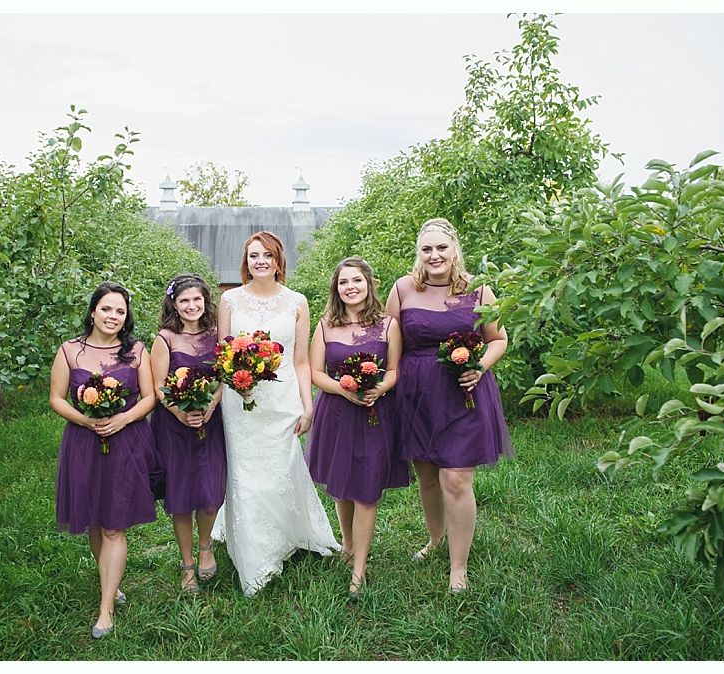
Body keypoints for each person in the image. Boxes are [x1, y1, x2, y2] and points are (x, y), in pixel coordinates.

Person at [385, 218, 513, 594]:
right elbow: (388, 339)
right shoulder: (402, 289)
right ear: (418, 254)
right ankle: (436, 538)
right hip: (416, 394)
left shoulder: (479, 290)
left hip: (463, 393)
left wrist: (479, 367)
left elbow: (499, 340)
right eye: (427, 249)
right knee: (427, 475)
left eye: (441, 247)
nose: (435, 255)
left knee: (455, 478)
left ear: (454, 249)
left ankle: (459, 566)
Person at [211, 231, 340, 596]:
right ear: (246, 262)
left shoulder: (297, 302)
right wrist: (237, 383)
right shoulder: (230, 301)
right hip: (241, 400)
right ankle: (255, 556)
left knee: (280, 469)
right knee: (246, 475)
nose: (261, 261)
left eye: (267, 255)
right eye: (254, 256)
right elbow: (224, 354)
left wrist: (308, 403)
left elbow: (300, 361)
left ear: (278, 260)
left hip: (282, 400)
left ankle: (287, 533)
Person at [50, 282, 157, 638]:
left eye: (120, 312)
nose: (113, 317)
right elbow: (57, 398)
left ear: (126, 318)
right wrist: (86, 419)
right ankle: (109, 580)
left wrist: (123, 418)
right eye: (106, 309)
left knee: (114, 524)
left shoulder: (136, 351)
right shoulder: (70, 351)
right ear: (93, 311)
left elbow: (150, 397)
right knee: (95, 522)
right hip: (83, 441)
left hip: (126, 442)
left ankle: (106, 608)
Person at [305, 257, 410, 599]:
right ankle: (347, 543)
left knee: (366, 489)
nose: (351, 287)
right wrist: (343, 390)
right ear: (336, 289)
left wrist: (380, 388)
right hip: (337, 412)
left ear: (369, 284)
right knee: (342, 484)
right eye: (344, 282)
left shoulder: (387, 325)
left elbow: (395, 370)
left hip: (375, 413)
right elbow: (315, 372)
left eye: (357, 281)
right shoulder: (325, 326)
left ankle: (359, 568)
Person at [150, 274, 226, 595]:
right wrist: (181, 412)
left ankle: (205, 545)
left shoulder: (216, 335)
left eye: (197, 300)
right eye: (184, 301)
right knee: (180, 496)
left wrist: (210, 406)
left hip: (211, 421)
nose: (192, 306)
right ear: (174, 305)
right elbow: (157, 386)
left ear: (205, 301)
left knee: (211, 491)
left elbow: (223, 378)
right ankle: (186, 565)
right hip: (173, 426)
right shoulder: (165, 339)